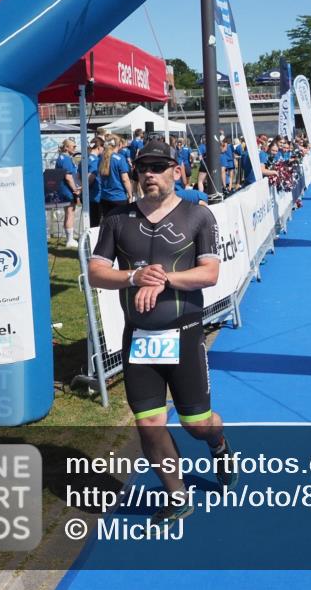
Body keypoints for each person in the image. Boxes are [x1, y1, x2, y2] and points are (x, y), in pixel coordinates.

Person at [88, 140, 236, 523]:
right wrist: (133, 276)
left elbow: (210, 272)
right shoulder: (117, 219)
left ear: (176, 170)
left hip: (184, 335)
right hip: (139, 339)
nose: (149, 174)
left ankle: (219, 443)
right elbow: (96, 272)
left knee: (197, 424)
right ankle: (177, 494)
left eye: (158, 166)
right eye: (143, 168)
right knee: (149, 424)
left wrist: (164, 279)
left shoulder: (198, 216)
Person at [98, 135, 134, 216]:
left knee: (108, 222)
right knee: (120, 224)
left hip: (105, 197)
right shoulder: (120, 158)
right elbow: (125, 179)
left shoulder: (101, 158)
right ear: (119, 145)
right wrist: (130, 194)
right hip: (119, 197)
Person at [55, 139, 82, 248]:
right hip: (67, 190)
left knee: (68, 213)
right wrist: (75, 189)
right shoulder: (65, 159)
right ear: (66, 147)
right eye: (73, 146)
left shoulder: (62, 158)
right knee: (70, 213)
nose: (75, 148)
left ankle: (69, 239)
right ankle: (69, 240)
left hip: (63, 189)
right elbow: (68, 177)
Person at [87, 137, 105, 228]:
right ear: (99, 148)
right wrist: (85, 188)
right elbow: (91, 176)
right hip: (95, 195)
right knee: (95, 222)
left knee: (91, 220)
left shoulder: (86, 159)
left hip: (89, 195)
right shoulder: (95, 160)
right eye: (103, 147)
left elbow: (78, 175)